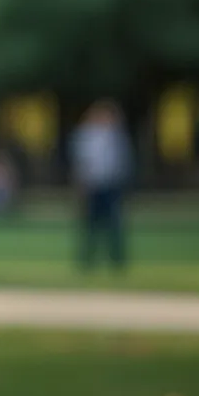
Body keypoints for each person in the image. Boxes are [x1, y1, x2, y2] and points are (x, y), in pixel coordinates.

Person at [69, 99, 132, 272]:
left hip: (111, 185)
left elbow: (122, 162)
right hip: (92, 186)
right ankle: (86, 261)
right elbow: (80, 163)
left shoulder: (116, 136)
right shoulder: (85, 136)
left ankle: (117, 261)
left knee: (114, 225)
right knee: (90, 226)